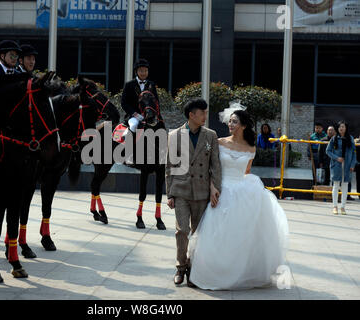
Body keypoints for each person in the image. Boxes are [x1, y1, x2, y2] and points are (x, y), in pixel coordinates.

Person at [188, 103, 289, 290]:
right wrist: (213, 187)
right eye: (230, 121)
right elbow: (213, 168)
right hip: (221, 188)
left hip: (243, 190)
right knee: (216, 232)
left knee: (242, 234)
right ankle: (212, 271)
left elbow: (247, 171)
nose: (230, 125)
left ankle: (241, 273)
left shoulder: (251, 147)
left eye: (235, 122)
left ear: (243, 125)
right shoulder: (220, 142)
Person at [165, 98, 222, 287]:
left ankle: (194, 269)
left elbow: (216, 165)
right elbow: (170, 166)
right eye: (203, 112)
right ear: (192, 115)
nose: (206, 116)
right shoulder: (174, 135)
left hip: (202, 191)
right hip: (181, 190)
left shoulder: (211, 135)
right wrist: (170, 194)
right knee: (182, 231)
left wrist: (216, 188)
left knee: (199, 233)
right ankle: (180, 267)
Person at [121, 58, 159, 133]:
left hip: (149, 116)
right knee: (134, 125)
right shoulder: (129, 85)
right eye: (141, 71)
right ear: (136, 72)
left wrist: (156, 114)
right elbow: (124, 103)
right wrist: (135, 114)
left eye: (146, 71)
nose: (144, 73)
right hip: (134, 116)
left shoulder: (151, 85)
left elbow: (156, 101)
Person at [326, 121, 356, 215]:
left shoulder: (350, 138)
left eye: (343, 127)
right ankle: (335, 206)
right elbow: (328, 151)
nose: (341, 129)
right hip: (336, 166)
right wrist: (336, 158)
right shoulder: (334, 138)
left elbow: (354, 153)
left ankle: (343, 207)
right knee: (335, 185)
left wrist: (352, 165)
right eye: (339, 127)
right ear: (337, 129)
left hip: (347, 166)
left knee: (345, 186)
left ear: (346, 128)